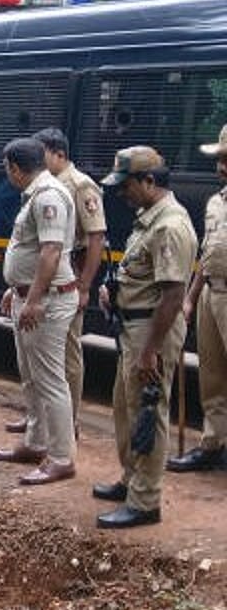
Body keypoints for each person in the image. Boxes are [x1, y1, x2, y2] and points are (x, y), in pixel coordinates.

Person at [92, 146, 196, 528]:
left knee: (148, 413)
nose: (122, 193)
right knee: (126, 407)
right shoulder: (147, 218)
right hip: (134, 327)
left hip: (152, 331)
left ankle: (145, 500)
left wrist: (150, 350)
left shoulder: (170, 225)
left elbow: (171, 296)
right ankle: (131, 479)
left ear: (150, 181)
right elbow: (144, 275)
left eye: (127, 185)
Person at [5, 128, 108, 438]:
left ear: (57, 153)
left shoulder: (79, 186)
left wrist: (85, 285)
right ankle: (39, 422)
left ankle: (68, 422)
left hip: (64, 278)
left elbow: (95, 238)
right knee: (37, 365)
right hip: (43, 278)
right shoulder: (43, 188)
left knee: (65, 358)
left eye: (42, 152)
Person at [0, 138, 79, 485]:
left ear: (15, 168)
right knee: (31, 376)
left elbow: (51, 252)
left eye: (6, 168)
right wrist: (16, 289)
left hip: (49, 301)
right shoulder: (36, 193)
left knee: (50, 380)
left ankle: (61, 457)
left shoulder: (48, 196)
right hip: (30, 296)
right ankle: (35, 441)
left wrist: (34, 298)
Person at [169, 124, 227, 473]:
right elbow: (207, 255)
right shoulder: (216, 202)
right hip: (211, 294)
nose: (220, 166)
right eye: (220, 159)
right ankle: (212, 444)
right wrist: (190, 298)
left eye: (226, 159)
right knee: (212, 374)